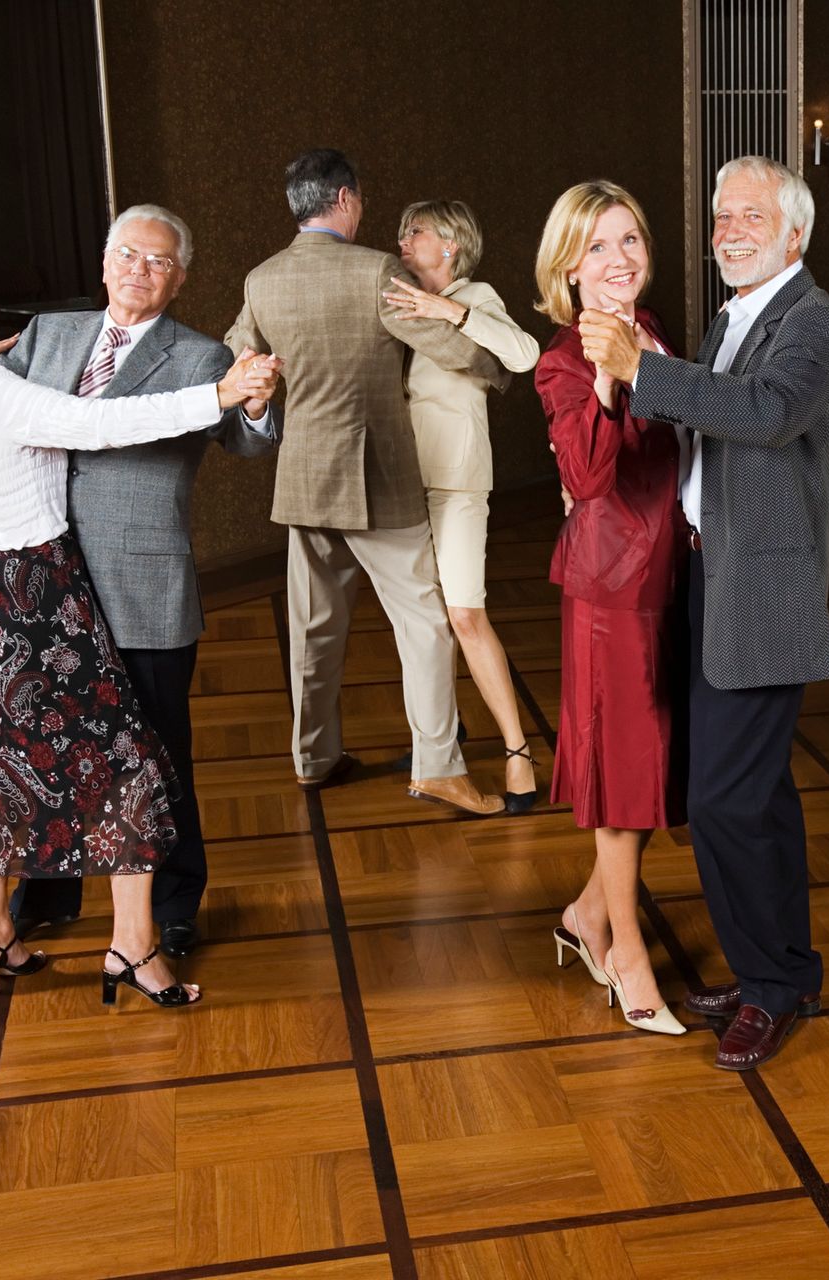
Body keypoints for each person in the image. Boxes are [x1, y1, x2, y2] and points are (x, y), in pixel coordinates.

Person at [0, 237, 280, 1006]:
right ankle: (132, 949)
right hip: (40, 594)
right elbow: (107, 425)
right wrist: (218, 393)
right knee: (132, 768)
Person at [580, 155, 829, 1071]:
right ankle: (785, 968)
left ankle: (770, 989)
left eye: (751, 215)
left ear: (796, 234)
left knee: (722, 800)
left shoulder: (812, 322)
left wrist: (646, 374)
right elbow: (716, 420)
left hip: (764, 593)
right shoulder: (738, 315)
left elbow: (767, 413)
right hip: (713, 581)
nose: (730, 229)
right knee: (759, 796)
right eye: (721, 217)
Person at [227, 149, 504, 815]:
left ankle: (313, 757)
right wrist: (493, 364)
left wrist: (263, 396)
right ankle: (437, 765)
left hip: (304, 480)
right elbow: (445, 345)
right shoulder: (375, 270)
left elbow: (239, 357)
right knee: (426, 626)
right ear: (346, 199)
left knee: (314, 630)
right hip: (379, 479)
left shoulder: (262, 280)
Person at [534, 181, 687, 1036]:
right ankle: (626, 947)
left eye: (628, 239)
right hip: (613, 594)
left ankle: (588, 913)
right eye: (596, 247)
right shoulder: (560, 359)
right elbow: (589, 479)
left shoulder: (652, 326)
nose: (618, 259)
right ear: (567, 265)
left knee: (660, 763)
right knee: (625, 781)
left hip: (672, 573)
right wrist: (602, 373)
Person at [381, 199, 543, 812]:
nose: (402, 239)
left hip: (456, 480)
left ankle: (518, 750)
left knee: (466, 616)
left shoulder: (477, 295)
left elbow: (524, 354)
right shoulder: (397, 301)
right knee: (421, 622)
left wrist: (448, 309)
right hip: (401, 480)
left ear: (450, 244)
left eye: (414, 231)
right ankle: (439, 742)